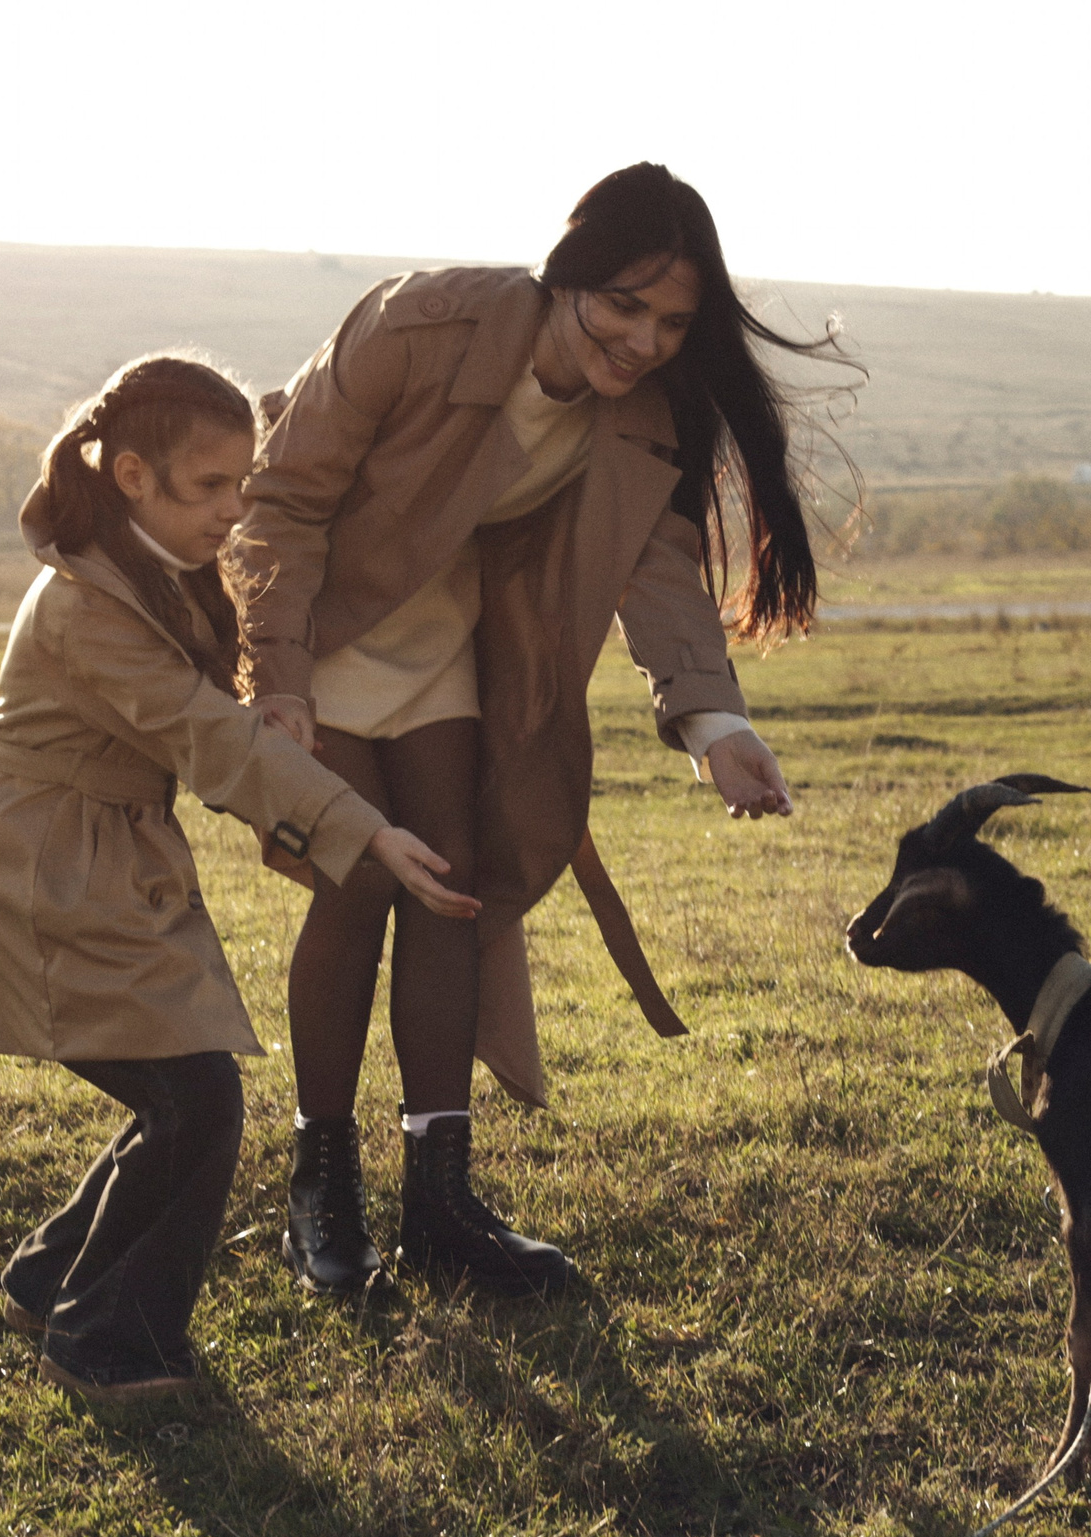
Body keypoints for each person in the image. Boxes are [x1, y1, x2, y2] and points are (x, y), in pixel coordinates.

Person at [231, 162, 840, 1298]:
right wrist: (277, 675)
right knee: (360, 883)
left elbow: (653, 567)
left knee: (451, 888)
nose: (642, 341)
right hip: (319, 630)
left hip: (451, 644)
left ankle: (440, 1201)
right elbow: (282, 499)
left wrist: (713, 724)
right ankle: (321, 1188)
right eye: (620, 305)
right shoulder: (417, 323)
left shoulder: (646, 411)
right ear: (564, 275)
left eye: (671, 321)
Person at [0, 352, 477, 1401]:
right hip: (49, 870)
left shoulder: (150, 562)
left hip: (107, 860)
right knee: (194, 1101)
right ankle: (104, 1342)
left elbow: (226, 703)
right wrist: (365, 831)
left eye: (244, 484)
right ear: (130, 475)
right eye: (211, 488)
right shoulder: (85, 605)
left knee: (180, 1097)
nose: (234, 512)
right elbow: (204, 735)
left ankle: (50, 1279)